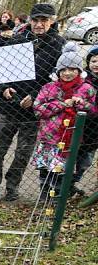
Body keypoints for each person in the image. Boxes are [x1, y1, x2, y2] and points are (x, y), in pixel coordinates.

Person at [0, 3, 66, 204]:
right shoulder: (16, 40)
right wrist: (3, 88)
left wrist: (36, 97)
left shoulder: (59, 46)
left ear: (51, 21)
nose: (39, 24)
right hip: (8, 106)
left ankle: (12, 187)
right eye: (35, 20)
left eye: (43, 20)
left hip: (34, 111)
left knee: (22, 153)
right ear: (30, 20)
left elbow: (58, 80)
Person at [31, 42, 97, 198]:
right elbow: (38, 108)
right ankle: (45, 194)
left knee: (62, 171)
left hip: (70, 140)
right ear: (58, 71)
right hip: (49, 138)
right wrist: (61, 104)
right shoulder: (49, 87)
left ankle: (59, 196)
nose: (68, 73)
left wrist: (83, 104)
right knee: (46, 170)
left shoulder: (86, 89)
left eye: (72, 69)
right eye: (64, 70)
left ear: (79, 71)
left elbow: (94, 110)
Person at [74, 46, 98, 192]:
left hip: (96, 130)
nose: (96, 64)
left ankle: (71, 183)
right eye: (93, 61)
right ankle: (65, 185)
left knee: (86, 161)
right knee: (74, 158)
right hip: (81, 127)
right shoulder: (82, 80)